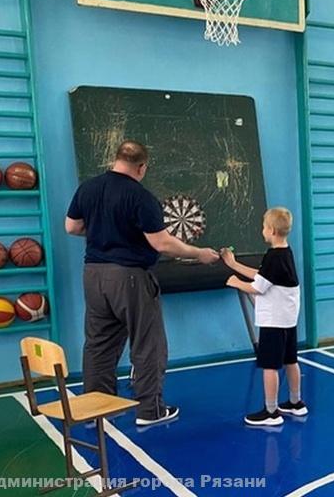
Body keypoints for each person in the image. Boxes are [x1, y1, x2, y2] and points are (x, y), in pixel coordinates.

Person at [65, 140, 220, 427]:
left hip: (93, 275)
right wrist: (199, 254)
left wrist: (103, 230)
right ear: (142, 167)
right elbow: (162, 243)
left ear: (115, 159)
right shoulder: (140, 196)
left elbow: (72, 227)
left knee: (98, 344)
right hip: (130, 278)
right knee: (148, 344)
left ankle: (97, 409)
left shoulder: (88, 188)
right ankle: (151, 410)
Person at [222, 207, 305, 427]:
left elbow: (257, 287)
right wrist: (234, 265)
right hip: (288, 321)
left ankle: (271, 412)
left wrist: (236, 282)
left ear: (272, 231)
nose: (262, 230)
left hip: (273, 322)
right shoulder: (285, 253)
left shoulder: (273, 257)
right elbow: (264, 276)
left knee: (270, 366)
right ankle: (296, 403)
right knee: (291, 361)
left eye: (264, 227)